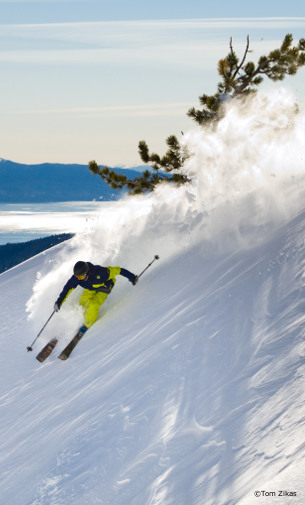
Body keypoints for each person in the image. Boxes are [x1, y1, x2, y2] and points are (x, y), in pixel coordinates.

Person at [54, 260, 138, 336]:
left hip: (104, 287)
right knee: (83, 303)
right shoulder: (77, 278)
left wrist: (132, 277)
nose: (79, 279)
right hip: (91, 288)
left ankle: (87, 323)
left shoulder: (101, 273)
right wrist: (59, 301)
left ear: (87, 272)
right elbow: (67, 288)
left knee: (94, 304)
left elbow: (118, 270)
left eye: (80, 277)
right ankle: (82, 318)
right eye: (77, 277)